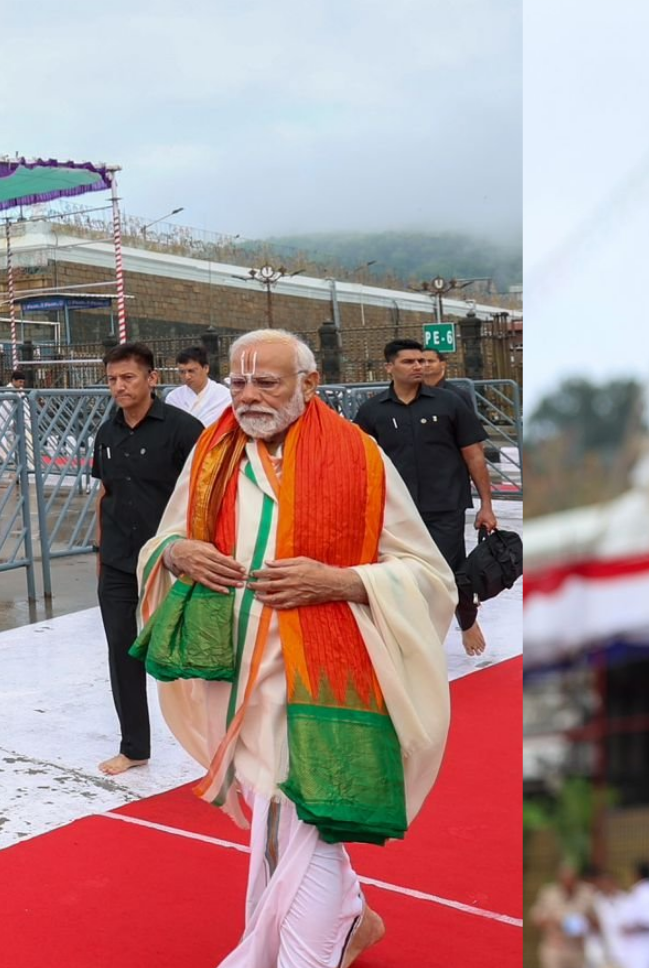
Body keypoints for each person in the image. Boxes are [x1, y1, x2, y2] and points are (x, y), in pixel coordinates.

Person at [138, 328, 455, 968]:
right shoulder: (212, 453)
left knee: (306, 813)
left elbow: (429, 577)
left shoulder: (360, 458)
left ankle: (304, 955)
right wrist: (177, 552)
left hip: (326, 680)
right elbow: (159, 543)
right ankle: (355, 920)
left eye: (267, 381)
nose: (249, 395)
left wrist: (341, 581)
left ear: (310, 386)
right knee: (282, 816)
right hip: (235, 674)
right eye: (239, 381)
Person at [90, 342, 204, 777]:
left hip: (174, 559)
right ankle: (134, 746)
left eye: (128, 378)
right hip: (120, 560)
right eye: (112, 380)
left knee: (199, 651)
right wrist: (100, 554)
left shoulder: (184, 430)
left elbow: (204, 498)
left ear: (152, 379)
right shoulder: (107, 433)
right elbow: (106, 495)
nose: (119, 387)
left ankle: (220, 744)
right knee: (121, 650)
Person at [354, 338, 498, 656]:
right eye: (409, 362)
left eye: (421, 361)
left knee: (450, 571)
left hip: (445, 503)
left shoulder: (450, 403)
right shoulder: (371, 411)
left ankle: (467, 620)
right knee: (399, 573)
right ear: (389, 367)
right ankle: (412, 637)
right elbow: (361, 462)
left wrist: (486, 505)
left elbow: (474, 455)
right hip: (395, 509)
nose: (419, 366)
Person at [530, 863, 597, 968]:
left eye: (571, 879)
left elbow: (597, 920)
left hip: (577, 948)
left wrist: (583, 923)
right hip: (555, 948)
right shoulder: (548, 893)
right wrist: (555, 923)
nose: (568, 882)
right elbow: (536, 919)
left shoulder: (587, 893)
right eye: (565, 879)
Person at [613, 863, 649, 968]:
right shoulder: (641, 890)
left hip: (643, 951)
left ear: (638, 874)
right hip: (634, 952)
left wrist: (630, 928)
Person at [169, 345, 232, 426]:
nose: (187, 376)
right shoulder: (174, 398)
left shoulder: (225, 397)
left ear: (206, 368)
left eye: (191, 371)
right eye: (182, 372)